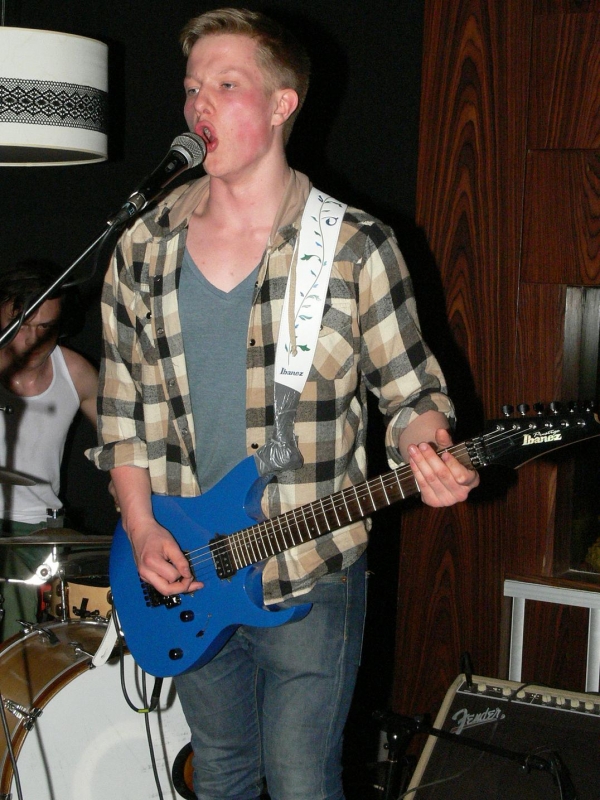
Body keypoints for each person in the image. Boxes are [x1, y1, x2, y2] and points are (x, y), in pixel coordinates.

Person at [88, 8, 480, 799]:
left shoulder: (354, 245)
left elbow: (412, 392)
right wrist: (141, 526)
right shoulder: (143, 245)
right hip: (185, 561)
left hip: (312, 563)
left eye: (226, 84)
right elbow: (122, 412)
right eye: (192, 86)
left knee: (303, 779)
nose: (199, 103)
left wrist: (431, 449)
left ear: (281, 104)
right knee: (222, 774)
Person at [0, 259, 99, 640]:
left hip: (38, 534)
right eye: (20, 325)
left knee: (19, 642)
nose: (32, 340)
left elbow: (124, 441)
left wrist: (123, 484)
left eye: (45, 328)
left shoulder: (74, 372)